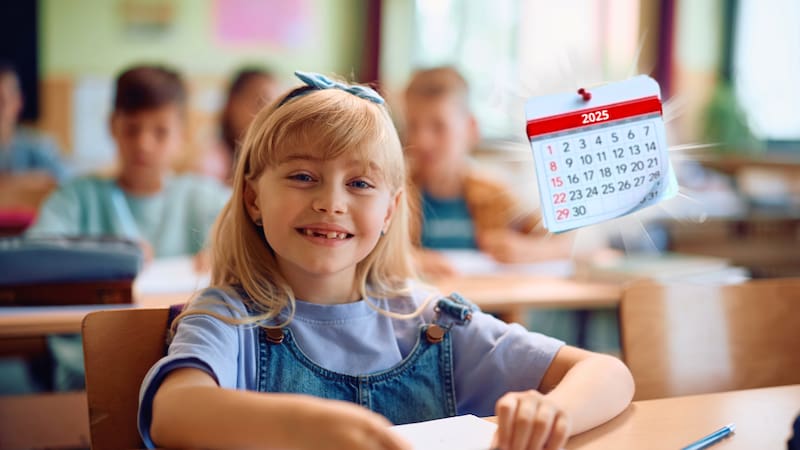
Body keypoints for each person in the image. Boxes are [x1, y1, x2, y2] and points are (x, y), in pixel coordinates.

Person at [138, 71, 634, 450]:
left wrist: (553, 414)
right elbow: (174, 409)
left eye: (359, 183)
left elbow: (609, 375)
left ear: (390, 209)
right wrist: (314, 428)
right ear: (252, 199)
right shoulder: (227, 316)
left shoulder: (429, 320)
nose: (332, 202)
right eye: (303, 177)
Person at [27, 65, 229, 263]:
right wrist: (107, 257)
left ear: (183, 135)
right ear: (112, 126)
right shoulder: (76, 198)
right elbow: (34, 254)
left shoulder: (205, 198)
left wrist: (226, 257)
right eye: (132, 129)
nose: (144, 144)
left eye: (161, 132)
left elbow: (247, 242)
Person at [403, 67, 572, 277]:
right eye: (413, 126)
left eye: (439, 127)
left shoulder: (495, 194)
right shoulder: (393, 194)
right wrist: (407, 260)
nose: (422, 141)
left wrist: (528, 251)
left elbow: (565, 242)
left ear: (471, 128)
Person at [0, 61, 68, 215]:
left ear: (18, 102)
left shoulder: (39, 145)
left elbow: (66, 182)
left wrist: (9, 182)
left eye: (3, 100)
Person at [200, 67, 281, 185]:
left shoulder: (277, 160)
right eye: (261, 102)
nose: (269, 114)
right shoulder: (207, 164)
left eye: (276, 106)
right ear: (233, 104)